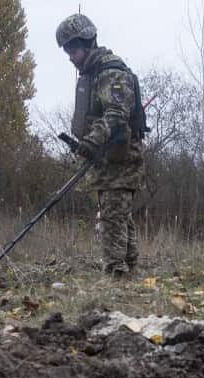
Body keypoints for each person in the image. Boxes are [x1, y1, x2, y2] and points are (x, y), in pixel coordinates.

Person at [56, 13, 148, 278]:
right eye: (67, 51)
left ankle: (117, 273)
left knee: (113, 218)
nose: (70, 56)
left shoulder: (111, 72)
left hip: (120, 160)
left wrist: (91, 141)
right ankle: (128, 270)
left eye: (72, 50)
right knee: (118, 215)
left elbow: (117, 114)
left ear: (87, 43)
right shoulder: (93, 74)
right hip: (106, 161)